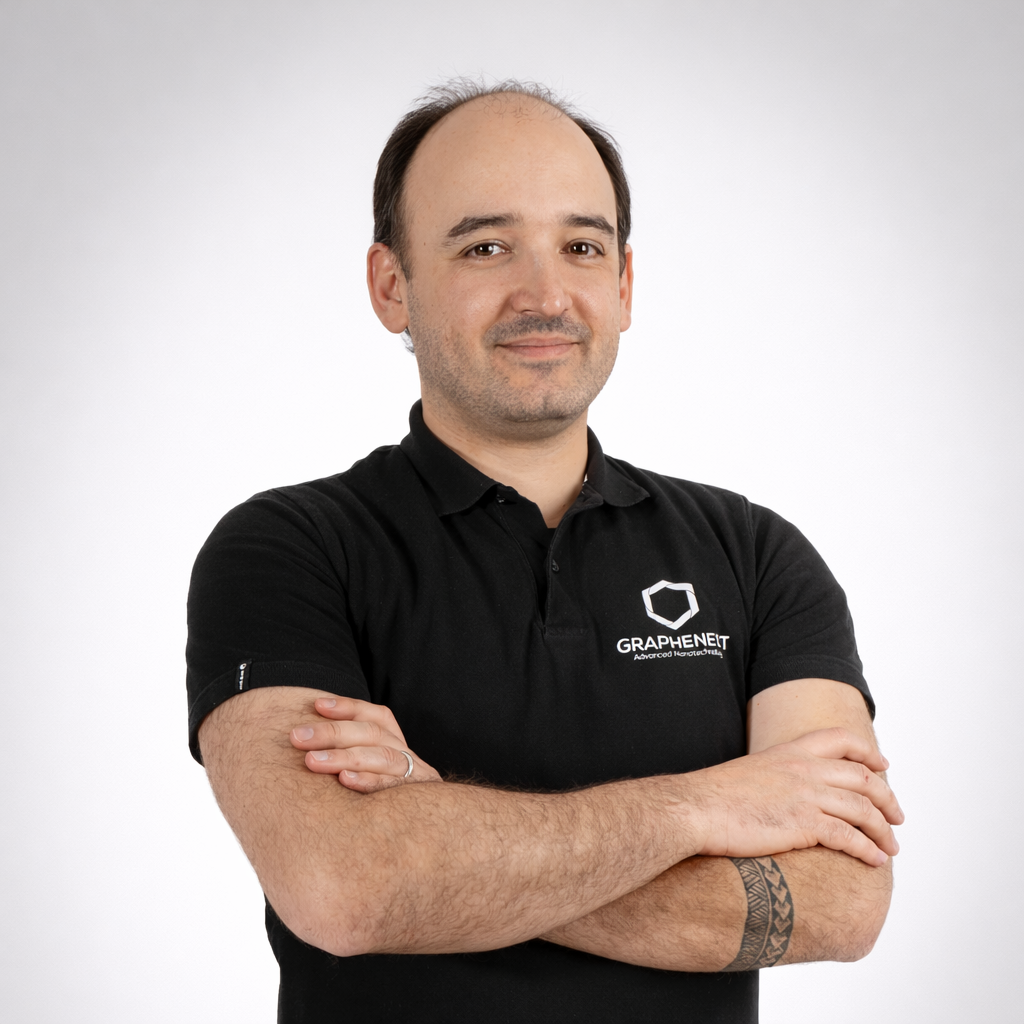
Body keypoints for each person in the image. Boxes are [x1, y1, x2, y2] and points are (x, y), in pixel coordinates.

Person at [187, 81, 902, 1023]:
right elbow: (342, 888)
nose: (546, 295)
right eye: (486, 247)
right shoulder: (287, 551)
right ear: (392, 286)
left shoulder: (755, 554)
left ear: (625, 285)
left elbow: (842, 904)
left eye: (581, 247)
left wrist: (436, 828)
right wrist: (705, 807)